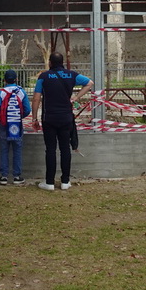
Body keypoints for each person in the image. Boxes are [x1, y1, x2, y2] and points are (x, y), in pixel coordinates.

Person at [31, 52, 93, 191]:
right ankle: (65, 181)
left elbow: (36, 98)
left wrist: (34, 118)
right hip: (66, 118)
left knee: (51, 150)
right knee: (65, 149)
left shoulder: (44, 76)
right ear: (62, 62)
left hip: (49, 118)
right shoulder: (71, 75)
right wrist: (76, 97)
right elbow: (89, 83)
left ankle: (49, 182)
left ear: (50, 62)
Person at [0, 69, 32, 185]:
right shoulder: (21, 92)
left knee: (4, 149)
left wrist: (4, 115)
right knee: (17, 149)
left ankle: (4, 176)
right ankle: (17, 176)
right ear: (16, 79)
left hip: (4, 124)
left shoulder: (1, 92)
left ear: (4, 80)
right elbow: (27, 109)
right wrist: (19, 116)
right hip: (17, 124)